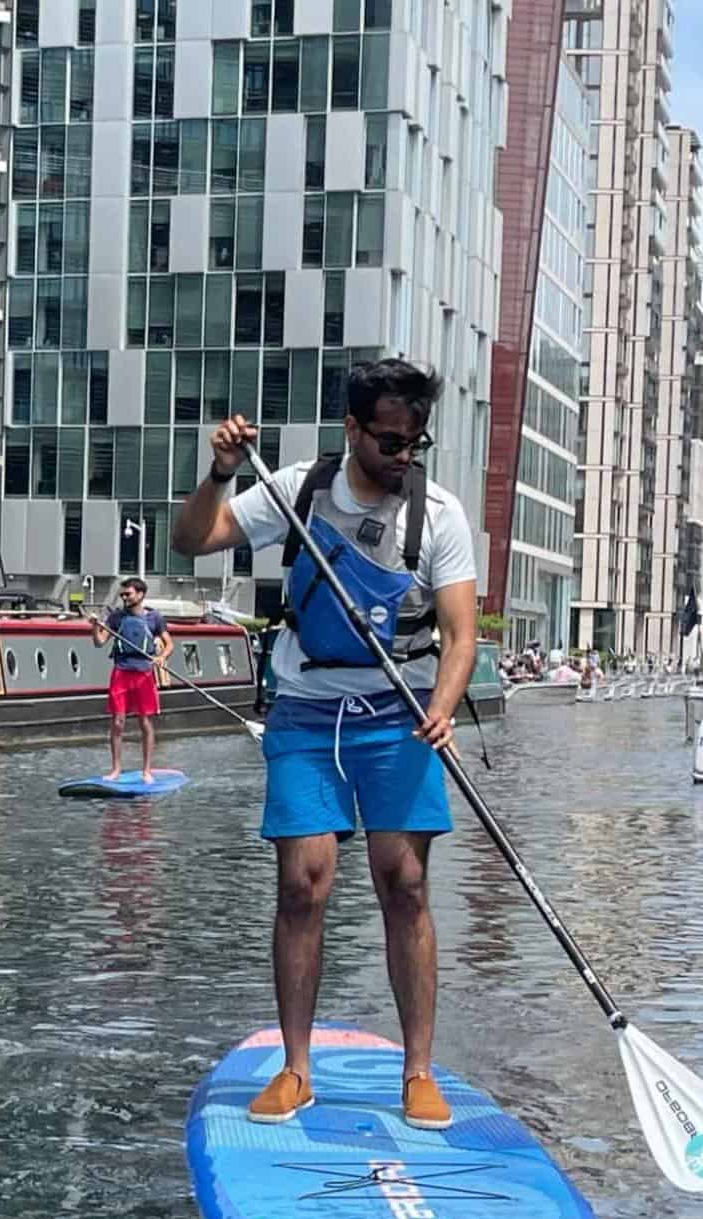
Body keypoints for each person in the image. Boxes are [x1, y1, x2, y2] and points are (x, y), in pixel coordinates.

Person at [171, 358, 476, 1131]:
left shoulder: (437, 513)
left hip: (396, 713)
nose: (401, 455)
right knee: (302, 886)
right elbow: (194, 538)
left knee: (403, 882)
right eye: (386, 440)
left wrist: (441, 706)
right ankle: (296, 1069)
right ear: (351, 428)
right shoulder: (298, 489)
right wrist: (219, 473)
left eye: (414, 441)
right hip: (305, 711)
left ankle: (416, 1070)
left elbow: (460, 635)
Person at [88, 575, 172, 782]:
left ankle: (146, 771)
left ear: (140, 594)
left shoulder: (154, 618)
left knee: (145, 721)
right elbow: (99, 642)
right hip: (121, 671)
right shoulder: (116, 618)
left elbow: (169, 644)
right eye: (122, 594)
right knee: (118, 722)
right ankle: (116, 770)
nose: (124, 597)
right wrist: (94, 626)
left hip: (144, 673)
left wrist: (161, 657)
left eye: (128, 594)